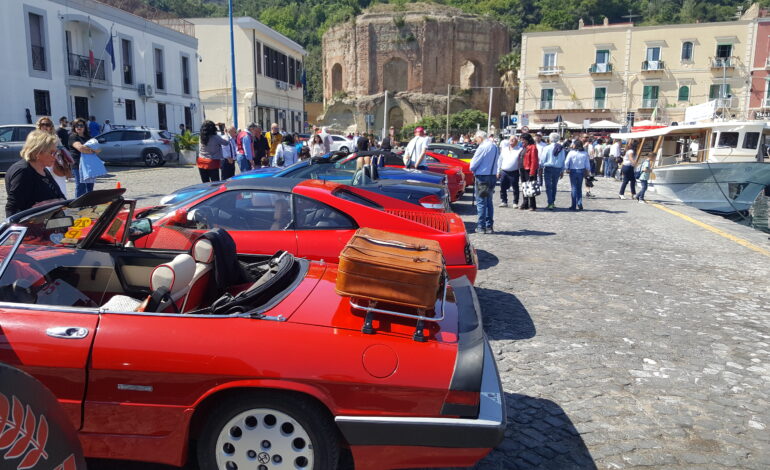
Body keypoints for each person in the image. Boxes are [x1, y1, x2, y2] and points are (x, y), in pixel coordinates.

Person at [5, 130, 65, 216]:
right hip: (30, 226)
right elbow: (12, 209)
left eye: (56, 152)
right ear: (37, 152)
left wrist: (52, 202)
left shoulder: (44, 170)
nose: (55, 156)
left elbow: (62, 198)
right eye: (52, 152)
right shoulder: (23, 172)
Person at [469, 130, 499, 234]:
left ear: (480, 137)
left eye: (476, 138)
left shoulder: (482, 147)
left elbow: (473, 164)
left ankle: (481, 226)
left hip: (483, 177)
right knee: (489, 202)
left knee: (481, 202)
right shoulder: (495, 146)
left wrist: (472, 168)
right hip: (492, 176)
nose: (475, 140)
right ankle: (489, 226)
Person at [68, 118, 98, 197]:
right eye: (76, 125)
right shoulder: (73, 137)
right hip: (78, 165)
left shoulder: (89, 137)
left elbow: (98, 149)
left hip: (89, 164)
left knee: (90, 187)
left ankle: (89, 204)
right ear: (74, 127)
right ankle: (79, 206)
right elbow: (80, 148)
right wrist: (92, 150)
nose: (79, 127)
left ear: (85, 127)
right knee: (81, 186)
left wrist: (90, 150)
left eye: (81, 125)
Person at [540, 132, 566, 210]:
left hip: (548, 168)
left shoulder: (546, 148)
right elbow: (563, 160)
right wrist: (562, 170)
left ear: (550, 139)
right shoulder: (561, 148)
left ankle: (550, 202)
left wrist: (540, 167)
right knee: (554, 186)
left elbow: (542, 159)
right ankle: (553, 202)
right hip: (557, 169)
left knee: (548, 186)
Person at [564, 140, 592, 211]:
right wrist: (588, 172)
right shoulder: (584, 153)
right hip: (581, 171)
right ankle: (579, 203)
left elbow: (566, 162)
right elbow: (587, 164)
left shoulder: (571, 153)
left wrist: (566, 169)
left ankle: (573, 205)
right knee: (579, 188)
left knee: (573, 188)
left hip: (573, 170)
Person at [497, 135, 522, 208]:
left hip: (514, 171)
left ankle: (515, 202)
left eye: (513, 139)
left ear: (517, 142)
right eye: (510, 139)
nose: (511, 141)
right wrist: (498, 171)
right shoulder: (504, 149)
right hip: (504, 171)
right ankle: (504, 201)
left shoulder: (519, 150)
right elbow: (500, 160)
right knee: (502, 187)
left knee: (515, 187)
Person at [519, 133, 539, 211]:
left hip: (529, 169)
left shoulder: (533, 147)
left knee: (531, 187)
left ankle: (532, 205)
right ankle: (525, 203)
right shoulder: (524, 147)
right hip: (523, 169)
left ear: (527, 140)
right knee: (524, 187)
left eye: (523, 139)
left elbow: (534, 161)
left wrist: (532, 172)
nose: (522, 141)